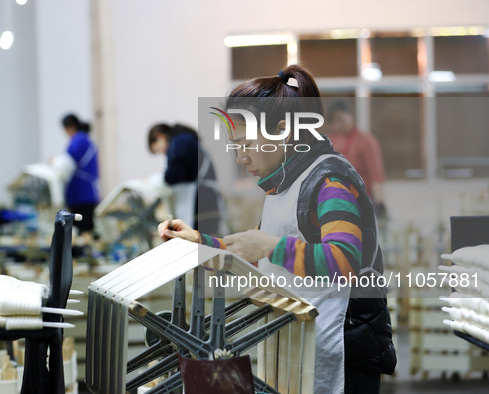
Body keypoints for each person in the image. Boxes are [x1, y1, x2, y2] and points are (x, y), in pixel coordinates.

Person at [157, 65, 396, 393]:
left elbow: (344, 262)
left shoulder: (329, 181)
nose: (241, 157)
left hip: (341, 353)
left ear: (282, 130)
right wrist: (198, 240)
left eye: (246, 144)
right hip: (302, 346)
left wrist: (271, 246)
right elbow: (258, 256)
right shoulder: (286, 184)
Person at [148, 123, 221, 235]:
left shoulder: (180, 141)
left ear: (159, 136)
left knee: (201, 241)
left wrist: (163, 179)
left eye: (158, 149)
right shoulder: (184, 140)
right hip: (206, 198)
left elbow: (174, 174)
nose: (162, 153)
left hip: (201, 200)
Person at [326, 100, 387, 217]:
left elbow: (376, 174)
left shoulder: (366, 141)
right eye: (333, 121)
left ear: (350, 115)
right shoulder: (330, 141)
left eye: (340, 118)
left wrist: (380, 202)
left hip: (360, 202)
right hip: (333, 201)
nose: (337, 124)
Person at [52, 113, 100, 235]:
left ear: (68, 127)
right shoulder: (85, 140)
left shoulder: (78, 141)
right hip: (87, 193)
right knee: (86, 226)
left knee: (82, 228)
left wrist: (54, 161)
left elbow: (66, 165)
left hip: (80, 193)